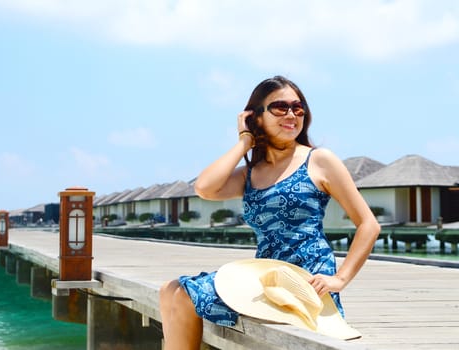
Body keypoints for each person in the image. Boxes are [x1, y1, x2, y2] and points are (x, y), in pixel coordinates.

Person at [159, 75, 381, 349]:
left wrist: (340, 279)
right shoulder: (252, 174)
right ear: (257, 118)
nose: (291, 114)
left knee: (183, 295)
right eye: (280, 107)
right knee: (168, 290)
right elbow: (204, 188)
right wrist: (244, 141)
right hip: (263, 273)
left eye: (297, 108)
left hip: (304, 277)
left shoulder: (319, 160)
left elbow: (368, 225)